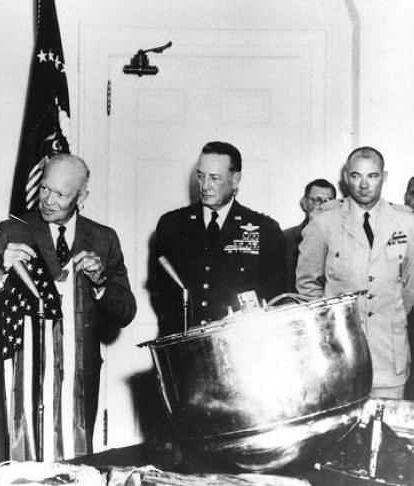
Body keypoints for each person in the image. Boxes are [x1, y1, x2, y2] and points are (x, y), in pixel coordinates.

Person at [0, 154, 136, 461]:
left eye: (61, 194)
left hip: (77, 383)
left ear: (82, 196)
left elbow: (125, 312)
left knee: (74, 464)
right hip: (21, 379)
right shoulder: (11, 232)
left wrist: (100, 281)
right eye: (44, 188)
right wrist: (1, 268)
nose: (48, 200)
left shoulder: (103, 238)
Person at [297, 147, 414, 399]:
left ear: (383, 176)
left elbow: (410, 287)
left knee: (389, 431)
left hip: (389, 356)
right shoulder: (325, 222)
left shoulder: (406, 222)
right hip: (340, 355)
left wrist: (387, 315)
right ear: (345, 176)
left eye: (372, 176)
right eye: (356, 176)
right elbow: (307, 284)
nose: (363, 185)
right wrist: (330, 326)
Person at [155, 141, 286, 333]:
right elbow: (164, 293)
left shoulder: (265, 230)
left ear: (235, 179)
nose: (205, 186)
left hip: (241, 346)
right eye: (201, 176)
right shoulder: (172, 225)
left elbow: (275, 299)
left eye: (215, 178)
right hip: (185, 347)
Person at [282, 179, 337, 292]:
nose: (323, 206)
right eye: (317, 200)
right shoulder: (286, 238)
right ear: (304, 203)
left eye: (329, 201)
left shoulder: (344, 239)